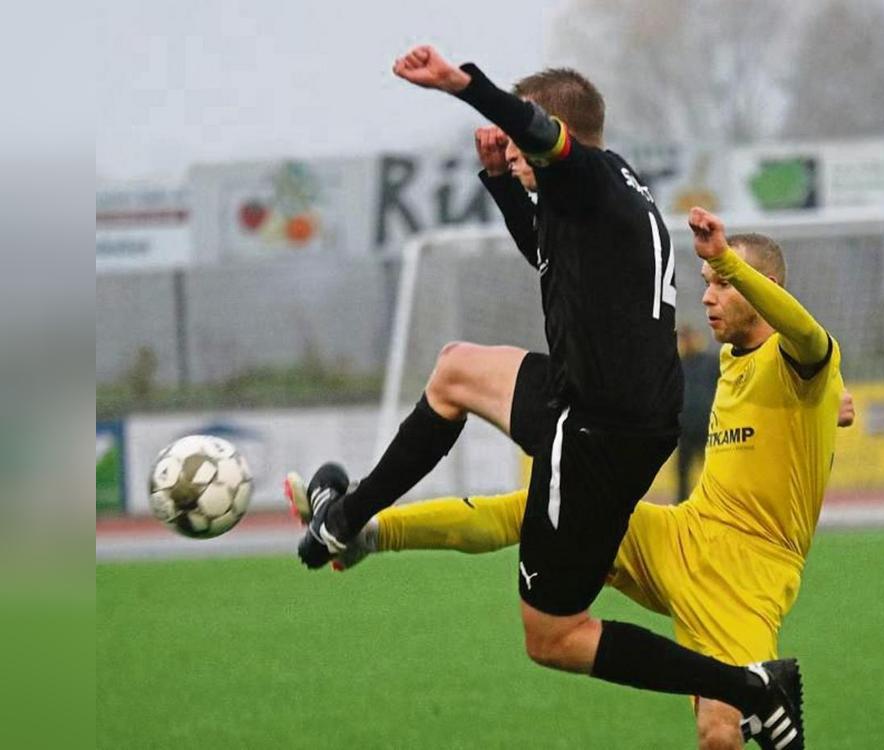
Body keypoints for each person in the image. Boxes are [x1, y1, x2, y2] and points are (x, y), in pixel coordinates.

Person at [288, 46, 805, 748]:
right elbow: (546, 250)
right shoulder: (602, 192)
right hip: (591, 402)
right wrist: (500, 181)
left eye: (525, 152)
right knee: (456, 371)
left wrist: (465, 87)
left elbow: (543, 133)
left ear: (558, 139)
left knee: (554, 637)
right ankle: (346, 518)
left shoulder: (584, 174)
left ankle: (750, 689)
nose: (522, 160)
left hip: (600, 430)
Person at [318, 215, 849, 749]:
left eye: (725, 285)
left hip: (748, 575)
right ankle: (370, 531)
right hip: (682, 535)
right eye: (708, 283)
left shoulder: (801, 355)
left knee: (718, 736)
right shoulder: (736, 360)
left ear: (770, 290)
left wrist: (728, 260)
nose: (709, 296)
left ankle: (757, 698)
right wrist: (834, 408)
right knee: (538, 508)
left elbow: (805, 334)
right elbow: (810, 408)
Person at [676, 324, 718, 501]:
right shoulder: (677, 365)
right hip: (685, 430)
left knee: (713, 472)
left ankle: (716, 503)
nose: (686, 342)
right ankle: (681, 507)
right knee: (683, 474)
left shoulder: (711, 362)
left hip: (707, 427)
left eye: (688, 337)